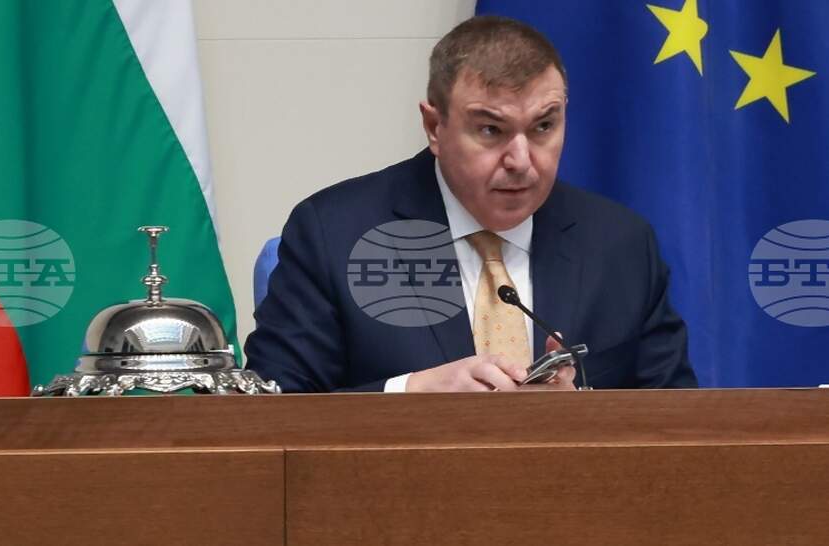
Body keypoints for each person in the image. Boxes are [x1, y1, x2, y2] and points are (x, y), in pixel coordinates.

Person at [245, 15, 698, 392]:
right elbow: (273, 413)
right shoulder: (334, 234)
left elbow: (678, 425)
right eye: (490, 130)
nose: (521, 161)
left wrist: (579, 412)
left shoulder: (620, 245)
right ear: (434, 127)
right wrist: (411, 393)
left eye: (543, 127)